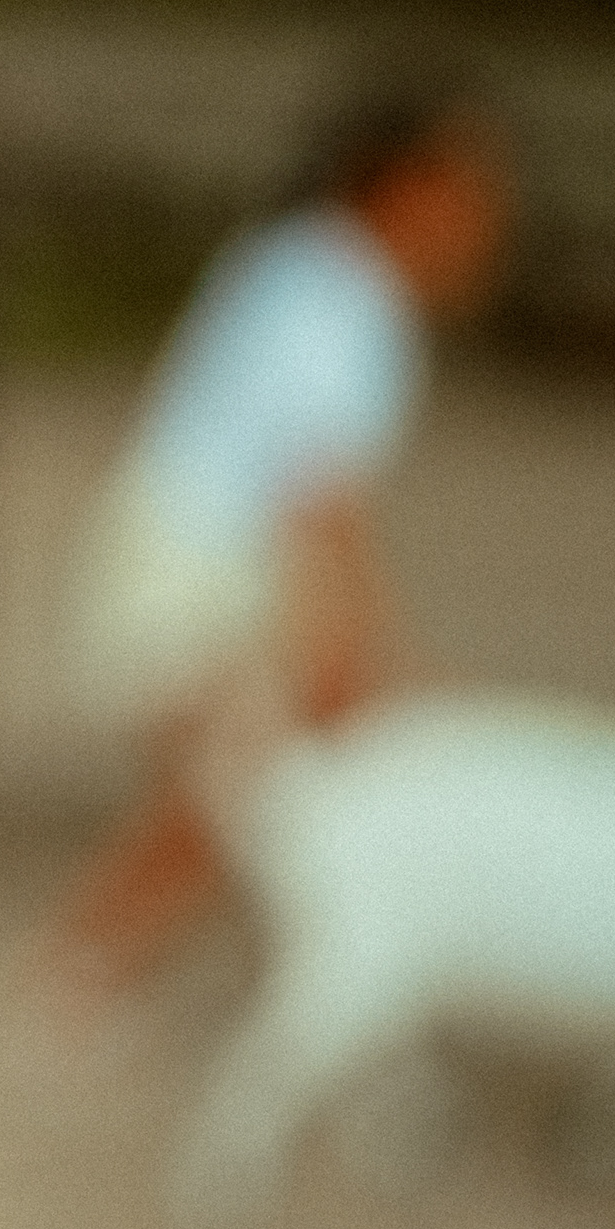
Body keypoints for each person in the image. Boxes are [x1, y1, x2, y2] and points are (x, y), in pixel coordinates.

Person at [42, 76, 515, 999]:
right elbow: (316, 499)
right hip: (195, 571)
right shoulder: (347, 305)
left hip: (170, 550)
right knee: (243, 794)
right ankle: (81, 980)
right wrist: (358, 640)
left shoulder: (299, 268)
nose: (487, 223)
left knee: (239, 796)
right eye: (470, 195)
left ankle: (100, 979)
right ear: (404, 187)